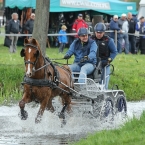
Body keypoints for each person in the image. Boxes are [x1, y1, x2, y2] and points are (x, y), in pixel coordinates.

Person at [92, 22, 118, 89]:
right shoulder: (91, 40)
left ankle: (104, 92)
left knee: (104, 84)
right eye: (97, 32)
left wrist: (108, 61)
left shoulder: (109, 40)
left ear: (104, 32)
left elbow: (114, 52)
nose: (98, 34)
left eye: (100, 33)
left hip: (104, 64)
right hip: (93, 63)